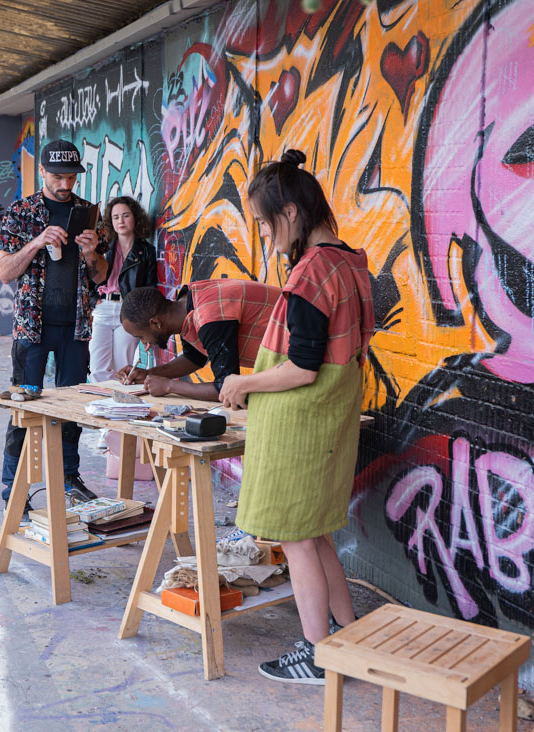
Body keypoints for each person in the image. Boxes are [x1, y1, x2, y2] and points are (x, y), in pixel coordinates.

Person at [220, 149, 374, 684]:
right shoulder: (350, 261)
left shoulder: (312, 272)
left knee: (296, 539)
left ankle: (317, 653)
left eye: (265, 224)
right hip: (329, 422)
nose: (265, 236)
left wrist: (243, 382)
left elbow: (303, 368)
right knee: (316, 533)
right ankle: (347, 637)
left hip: (301, 425)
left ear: (290, 213)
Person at [0, 139, 108, 507]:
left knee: (72, 408)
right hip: (32, 328)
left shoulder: (88, 213)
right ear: (41, 171)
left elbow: (101, 276)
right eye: (58, 177)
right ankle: (14, 490)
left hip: (75, 328)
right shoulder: (21, 212)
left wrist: (91, 253)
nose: (65, 184)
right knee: (24, 406)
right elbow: (4, 273)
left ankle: (68, 478)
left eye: (71, 177)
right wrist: (35, 243)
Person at [115, 279, 281, 401]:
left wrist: (169, 386)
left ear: (156, 323)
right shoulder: (187, 305)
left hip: (294, 356)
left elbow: (226, 387)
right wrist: (149, 374)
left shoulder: (209, 319)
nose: (144, 343)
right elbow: (194, 358)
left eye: (141, 336)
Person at [88, 195, 158, 450]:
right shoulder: (103, 247)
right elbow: (89, 275)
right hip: (103, 308)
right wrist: (92, 301)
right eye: (115, 217)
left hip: (128, 312)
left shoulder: (145, 251)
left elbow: (150, 290)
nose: (121, 221)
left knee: (122, 369)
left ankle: (115, 432)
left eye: (125, 215)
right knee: (98, 368)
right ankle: (106, 424)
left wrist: (147, 328)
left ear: (135, 218)